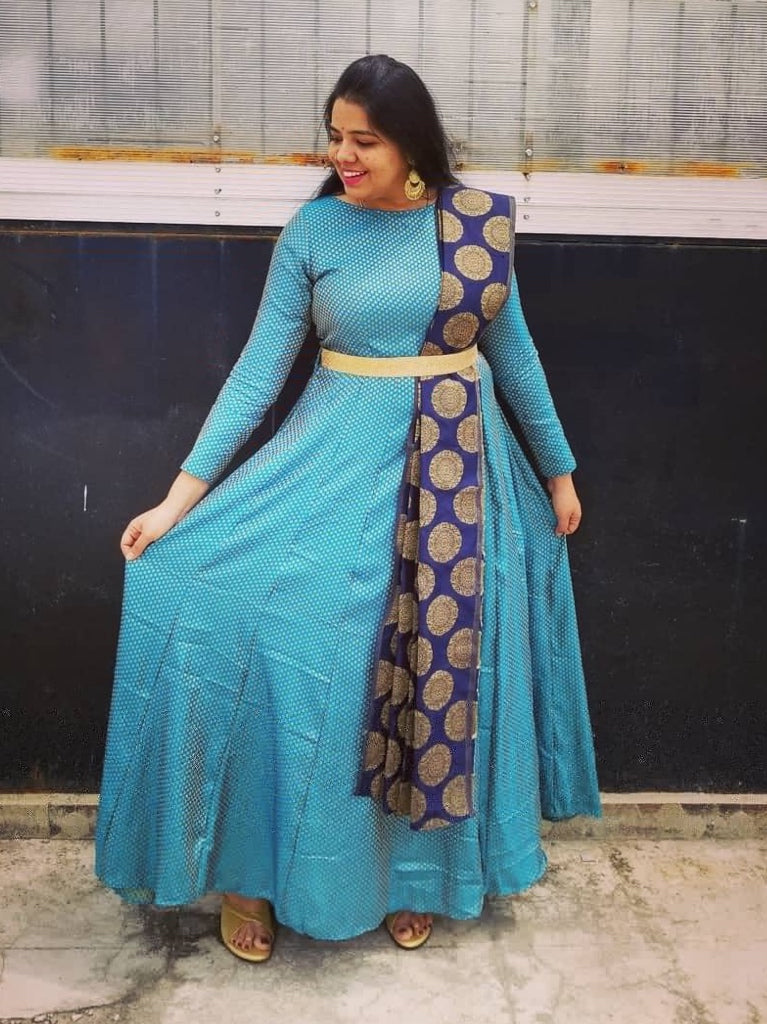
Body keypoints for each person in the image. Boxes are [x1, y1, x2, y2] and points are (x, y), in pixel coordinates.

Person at [94, 54, 600, 962]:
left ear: (412, 144)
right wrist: (176, 501)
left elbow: (514, 356)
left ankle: (417, 877)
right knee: (234, 615)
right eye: (335, 137)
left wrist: (557, 473)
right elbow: (258, 373)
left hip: (459, 481)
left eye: (363, 140)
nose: (343, 156)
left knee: (436, 667)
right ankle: (247, 873)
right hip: (330, 463)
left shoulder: (474, 227)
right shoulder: (315, 230)